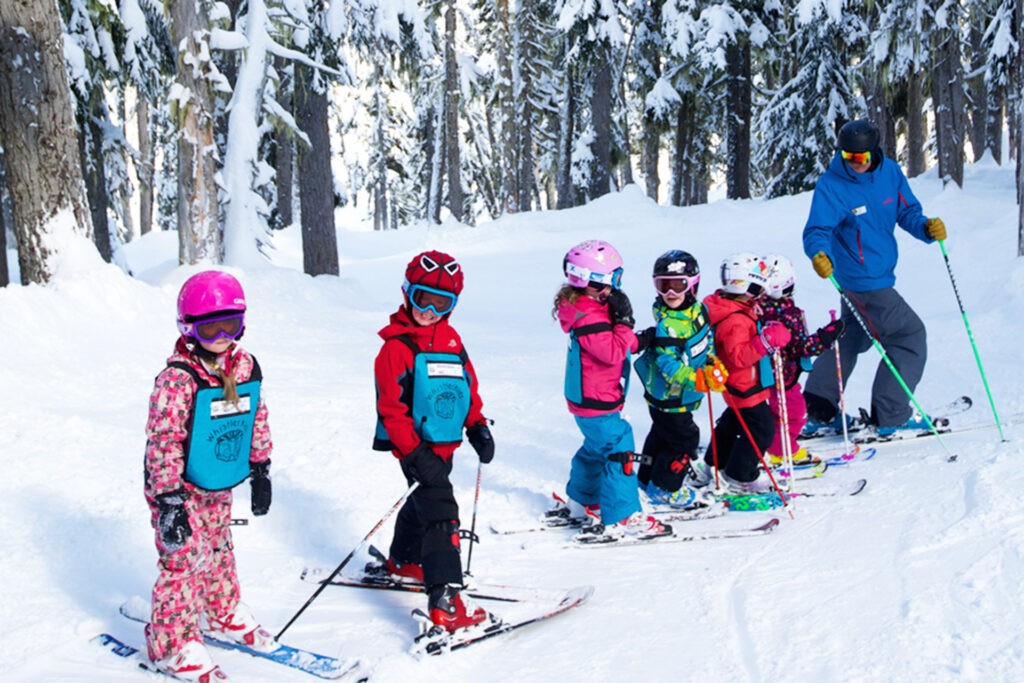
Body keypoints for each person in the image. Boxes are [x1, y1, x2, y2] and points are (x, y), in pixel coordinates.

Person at [144, 270, 274, 681]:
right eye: (209, 327)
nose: (221, 336)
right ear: (188, 327)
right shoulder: (178, 379)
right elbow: (163, 440)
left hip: (216, 478)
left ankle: (220, 610)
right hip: (177, 487)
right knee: (182, 558)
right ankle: (173, 644)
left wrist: (260, 468)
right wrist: (168, 500)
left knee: (218, 546)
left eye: (230, 324)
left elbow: (255, 417)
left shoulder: (245, 366)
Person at [371, 250, 496, 633]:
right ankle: (446, 601)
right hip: (415, 448)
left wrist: (477, 426)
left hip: (446, 445)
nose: (429, 311)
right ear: (408, 292)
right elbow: (391, 410)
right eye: (422, 299)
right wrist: (414, 454)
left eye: (441, 304)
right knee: (441, 512)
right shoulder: (396, 348)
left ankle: (406, 560)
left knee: (420, 502)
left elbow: (465, 387)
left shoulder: (452, 341)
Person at [802, 119, 947, 439]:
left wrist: (925, 227)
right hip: (862, 280)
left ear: (875, 152)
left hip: (878, 274)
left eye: (861, 157)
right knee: (909, 335)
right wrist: (818, 254)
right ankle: (890, 415)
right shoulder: (832, 185)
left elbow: (907, 212)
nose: (855, 163)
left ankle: (817, 406)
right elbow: (817, 230)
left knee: (851, 336)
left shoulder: (890, 172)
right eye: (848, 157)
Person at [549, 239, 672, 543]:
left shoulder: (587, 307)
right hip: (596, 399)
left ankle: (582, 502)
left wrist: (639, 340)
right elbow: (613, 352)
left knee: (595, 449)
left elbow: (611, 340)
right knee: (619, 449)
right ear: (593, 280)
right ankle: (623, 514)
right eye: (614, 278)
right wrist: (625, 322)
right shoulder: (588, 315)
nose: (617, 285)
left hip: (588, 397)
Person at [632, 250, 727, 507]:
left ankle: (646, 479)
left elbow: (706, 341)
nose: (671, 293)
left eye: (678, 285)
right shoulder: (668, 326)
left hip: (678, 395)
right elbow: (669, 365)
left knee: (662, 434)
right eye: (663, 286)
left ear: (693, 285)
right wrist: (699, 379)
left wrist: (712, 363)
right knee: (685, 440)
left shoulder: (698, 311)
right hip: (671, 397)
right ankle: (665, 488)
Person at [699, 253, 791, 492]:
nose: (761, 294)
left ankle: (714, 464)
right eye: (757, 288)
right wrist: (766, 341)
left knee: (732, 425)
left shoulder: (729, 306)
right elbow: (738, 357)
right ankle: (740, 474)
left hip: (737, 384)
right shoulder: (735, 320)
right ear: (746, 286)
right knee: (762, 430)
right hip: (745, 385)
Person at [760, 254, 845, 466]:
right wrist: (826, 336)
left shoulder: (760, 308)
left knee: (779, 413)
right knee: (794, 413)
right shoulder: (787, 313)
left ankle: (777, 447)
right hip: (783, 375)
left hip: (767, 374)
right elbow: (801, 347)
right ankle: (782, 451)